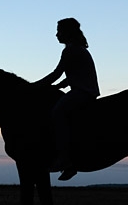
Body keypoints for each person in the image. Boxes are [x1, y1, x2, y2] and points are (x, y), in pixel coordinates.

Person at [33, 18, 100, 181]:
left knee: (57, 112)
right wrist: (59, 85)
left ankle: (65, 158)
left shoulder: (70, 50)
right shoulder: (78, 49)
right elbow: (74, 74)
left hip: (83, 92)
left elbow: (57, 73)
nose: (56, 34)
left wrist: (35, 87)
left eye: (59, 31)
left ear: (68, 32)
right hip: (84, 90)